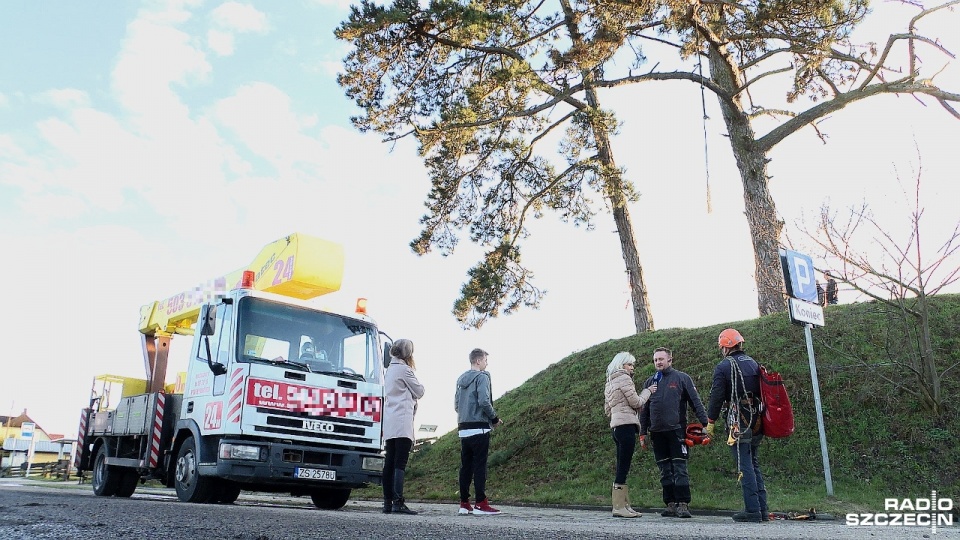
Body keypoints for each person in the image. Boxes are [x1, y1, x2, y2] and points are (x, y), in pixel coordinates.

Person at [706, 328, 769, 523]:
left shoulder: (724, 367)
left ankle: (752, 510)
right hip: (757, 419)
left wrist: (710, 422)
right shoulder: (753, 363)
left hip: (739, 421)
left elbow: (716, 396)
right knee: (754, 462)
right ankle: (762, 509)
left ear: (725, 347)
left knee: (744, 464)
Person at [639, 346, 709, 518]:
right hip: (656, 432)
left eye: (661, 359)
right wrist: (642, 432)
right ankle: (670, 504)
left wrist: (706, 423)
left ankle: (683, 504)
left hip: (677, 430)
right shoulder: (649, 382)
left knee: (679, 468)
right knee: (665, 470)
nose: (658, 362)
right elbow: (644, 409)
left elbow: (695, 402)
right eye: (655, 360)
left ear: (670, 360)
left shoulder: (682, 378)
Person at [603, 351, 656, 518]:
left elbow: (607, 409)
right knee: (623, 467)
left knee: (621, 465)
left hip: (616, 428)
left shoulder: (609, 382)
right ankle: (619, 507)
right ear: (622, 365)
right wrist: (648, 391)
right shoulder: (625, 378)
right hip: (626, 426)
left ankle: (624, 505)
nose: (632, 368)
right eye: (630, 364)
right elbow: (637, 402)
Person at [455, 348, 504, 516]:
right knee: (480, 466)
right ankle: (481, 503)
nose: (486, 363)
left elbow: (456, 405)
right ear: (478, 361)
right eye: (485, 360)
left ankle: (464, 503)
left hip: (463, 428)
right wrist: (494, 418)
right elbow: (483, 400)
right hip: (479, 427)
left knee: (465, 467)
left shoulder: (461, 380)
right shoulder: (482, 377)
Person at [381, 339, 425, 515]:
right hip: (403, 421)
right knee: (400, 463)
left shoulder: (389, 370)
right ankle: (398, 502)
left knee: (389, 463)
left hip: (390, 422)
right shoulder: (405, 370)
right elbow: (420, 391)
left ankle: (387, 503)